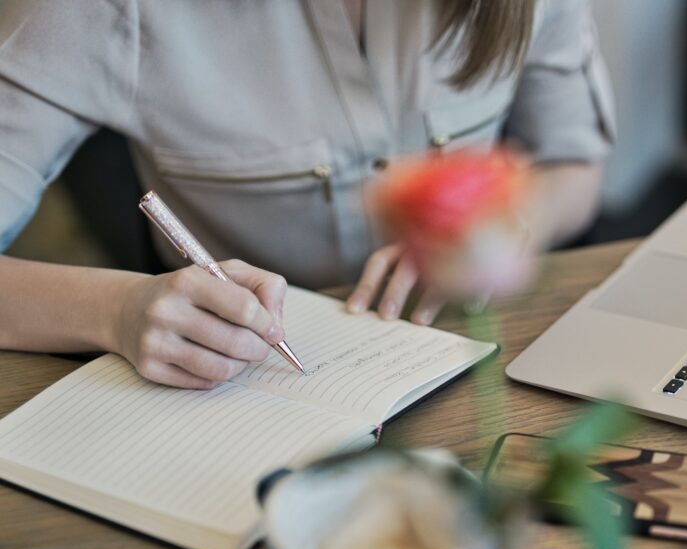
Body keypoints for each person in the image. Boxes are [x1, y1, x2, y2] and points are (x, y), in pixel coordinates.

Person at [0, 0, 615, 389]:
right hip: (239, 386)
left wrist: (511, 224)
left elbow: (575, 165)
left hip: (479, 362)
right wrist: (118, 311)